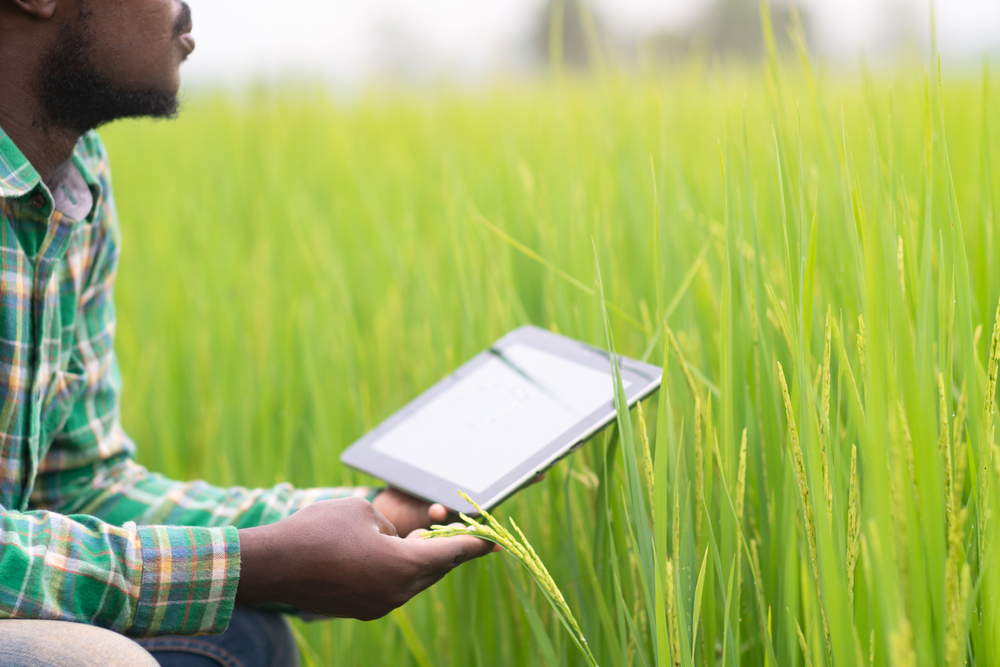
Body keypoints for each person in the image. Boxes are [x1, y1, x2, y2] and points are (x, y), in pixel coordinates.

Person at [0, 1, 497, 665]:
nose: (185, 8)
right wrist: (252, 562)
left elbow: (82, 487)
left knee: (242, 639)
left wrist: (370, 510)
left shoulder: (73, 178)